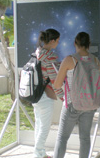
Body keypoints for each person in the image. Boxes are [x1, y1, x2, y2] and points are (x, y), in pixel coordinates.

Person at [53, 32, 100, 158]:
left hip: (72, 104)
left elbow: (57, 85)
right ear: (89, 44)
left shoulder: (70, 60)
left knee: (62, 137)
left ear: (75, 43)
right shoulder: (95, 60)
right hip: (90, 105)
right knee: (85, 138)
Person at [33, 28, 64, 158]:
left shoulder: (38, 52)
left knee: (39, 124)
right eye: (57, 41)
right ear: (52, 41)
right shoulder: (49, 57)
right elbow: (54, 80)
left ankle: (40, 153)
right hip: (45, 96)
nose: (58, 43)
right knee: (44, 128)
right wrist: (64, 97)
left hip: (35, 94)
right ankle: (38, 155)